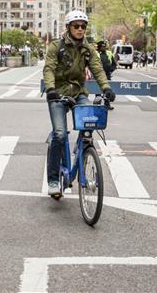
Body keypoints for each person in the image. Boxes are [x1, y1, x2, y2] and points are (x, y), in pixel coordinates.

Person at [42, 10, 114, 198]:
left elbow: (97, 69)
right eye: (76, 26)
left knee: (88, 126)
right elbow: (49, 68)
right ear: (68, 28)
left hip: (79, 93)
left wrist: (106, 88)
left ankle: (82, 150)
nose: (80, 29)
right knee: (59, 134)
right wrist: (50, 89)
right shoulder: (56, 46)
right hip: (57, 94)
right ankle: (53, 180)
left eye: (83, 26)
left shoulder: (87, 48)